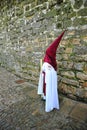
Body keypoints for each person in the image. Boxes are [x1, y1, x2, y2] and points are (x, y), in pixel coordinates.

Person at [37, 30, 66, 112]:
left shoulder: (49, 61)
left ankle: (47, 97)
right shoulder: (48, 62)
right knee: (46, 88)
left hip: (47, 76)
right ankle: (46, 97)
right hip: (46, 78)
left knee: (47, 87)